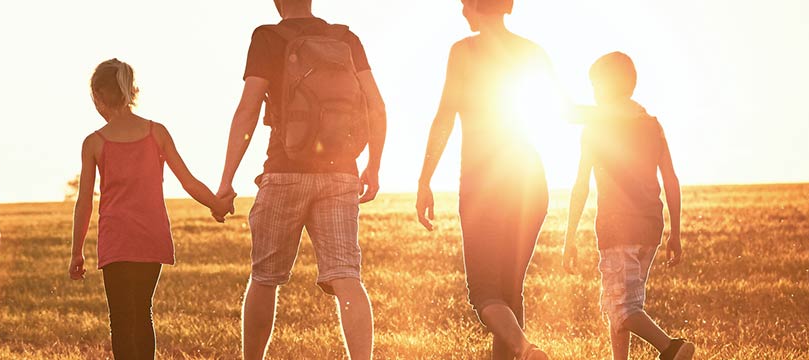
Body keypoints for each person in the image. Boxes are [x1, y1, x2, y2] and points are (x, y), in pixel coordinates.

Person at [214, 0, 388, 358]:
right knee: (346, 276)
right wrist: (374, 164)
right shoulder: (345, 38)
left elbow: (247, 111)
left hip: (284, 170)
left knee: (265, 277)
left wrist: (226, 180)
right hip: (341, 173)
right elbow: (376, 104)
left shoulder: (267, 38)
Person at [413, 0, 559, 358]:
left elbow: (445, 117)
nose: (463, 11)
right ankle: (522, 350)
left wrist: (424, 180)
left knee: (484, 293)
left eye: (465, 3)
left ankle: (527, 350)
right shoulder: (531, 51)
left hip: (485, 188)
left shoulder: (464, 52)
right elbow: (566, 111)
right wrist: (615, 117)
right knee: (509, 294)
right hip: (530, 182)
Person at [67, 59, 234, 360]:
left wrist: (77, 251)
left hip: (116, 239)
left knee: (120, 317)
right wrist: (217, 204)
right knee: (143, 311)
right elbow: (188, 181)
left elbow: (84, 202)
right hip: (150, 236)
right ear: (131, 90)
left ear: (98, 97)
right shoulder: (157, 133)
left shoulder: (94, 142)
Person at [563, 52, 696, 360]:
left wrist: (569, 238)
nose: (593, 92)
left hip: (617, 227)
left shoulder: (596, 127)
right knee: (622, 303)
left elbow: (581, 185)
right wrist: (675, 232)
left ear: (608, 86)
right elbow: (671, 180)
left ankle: (671, 347)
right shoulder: (652, 126)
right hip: (651, 226)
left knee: (622, 308)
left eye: (596, 85)